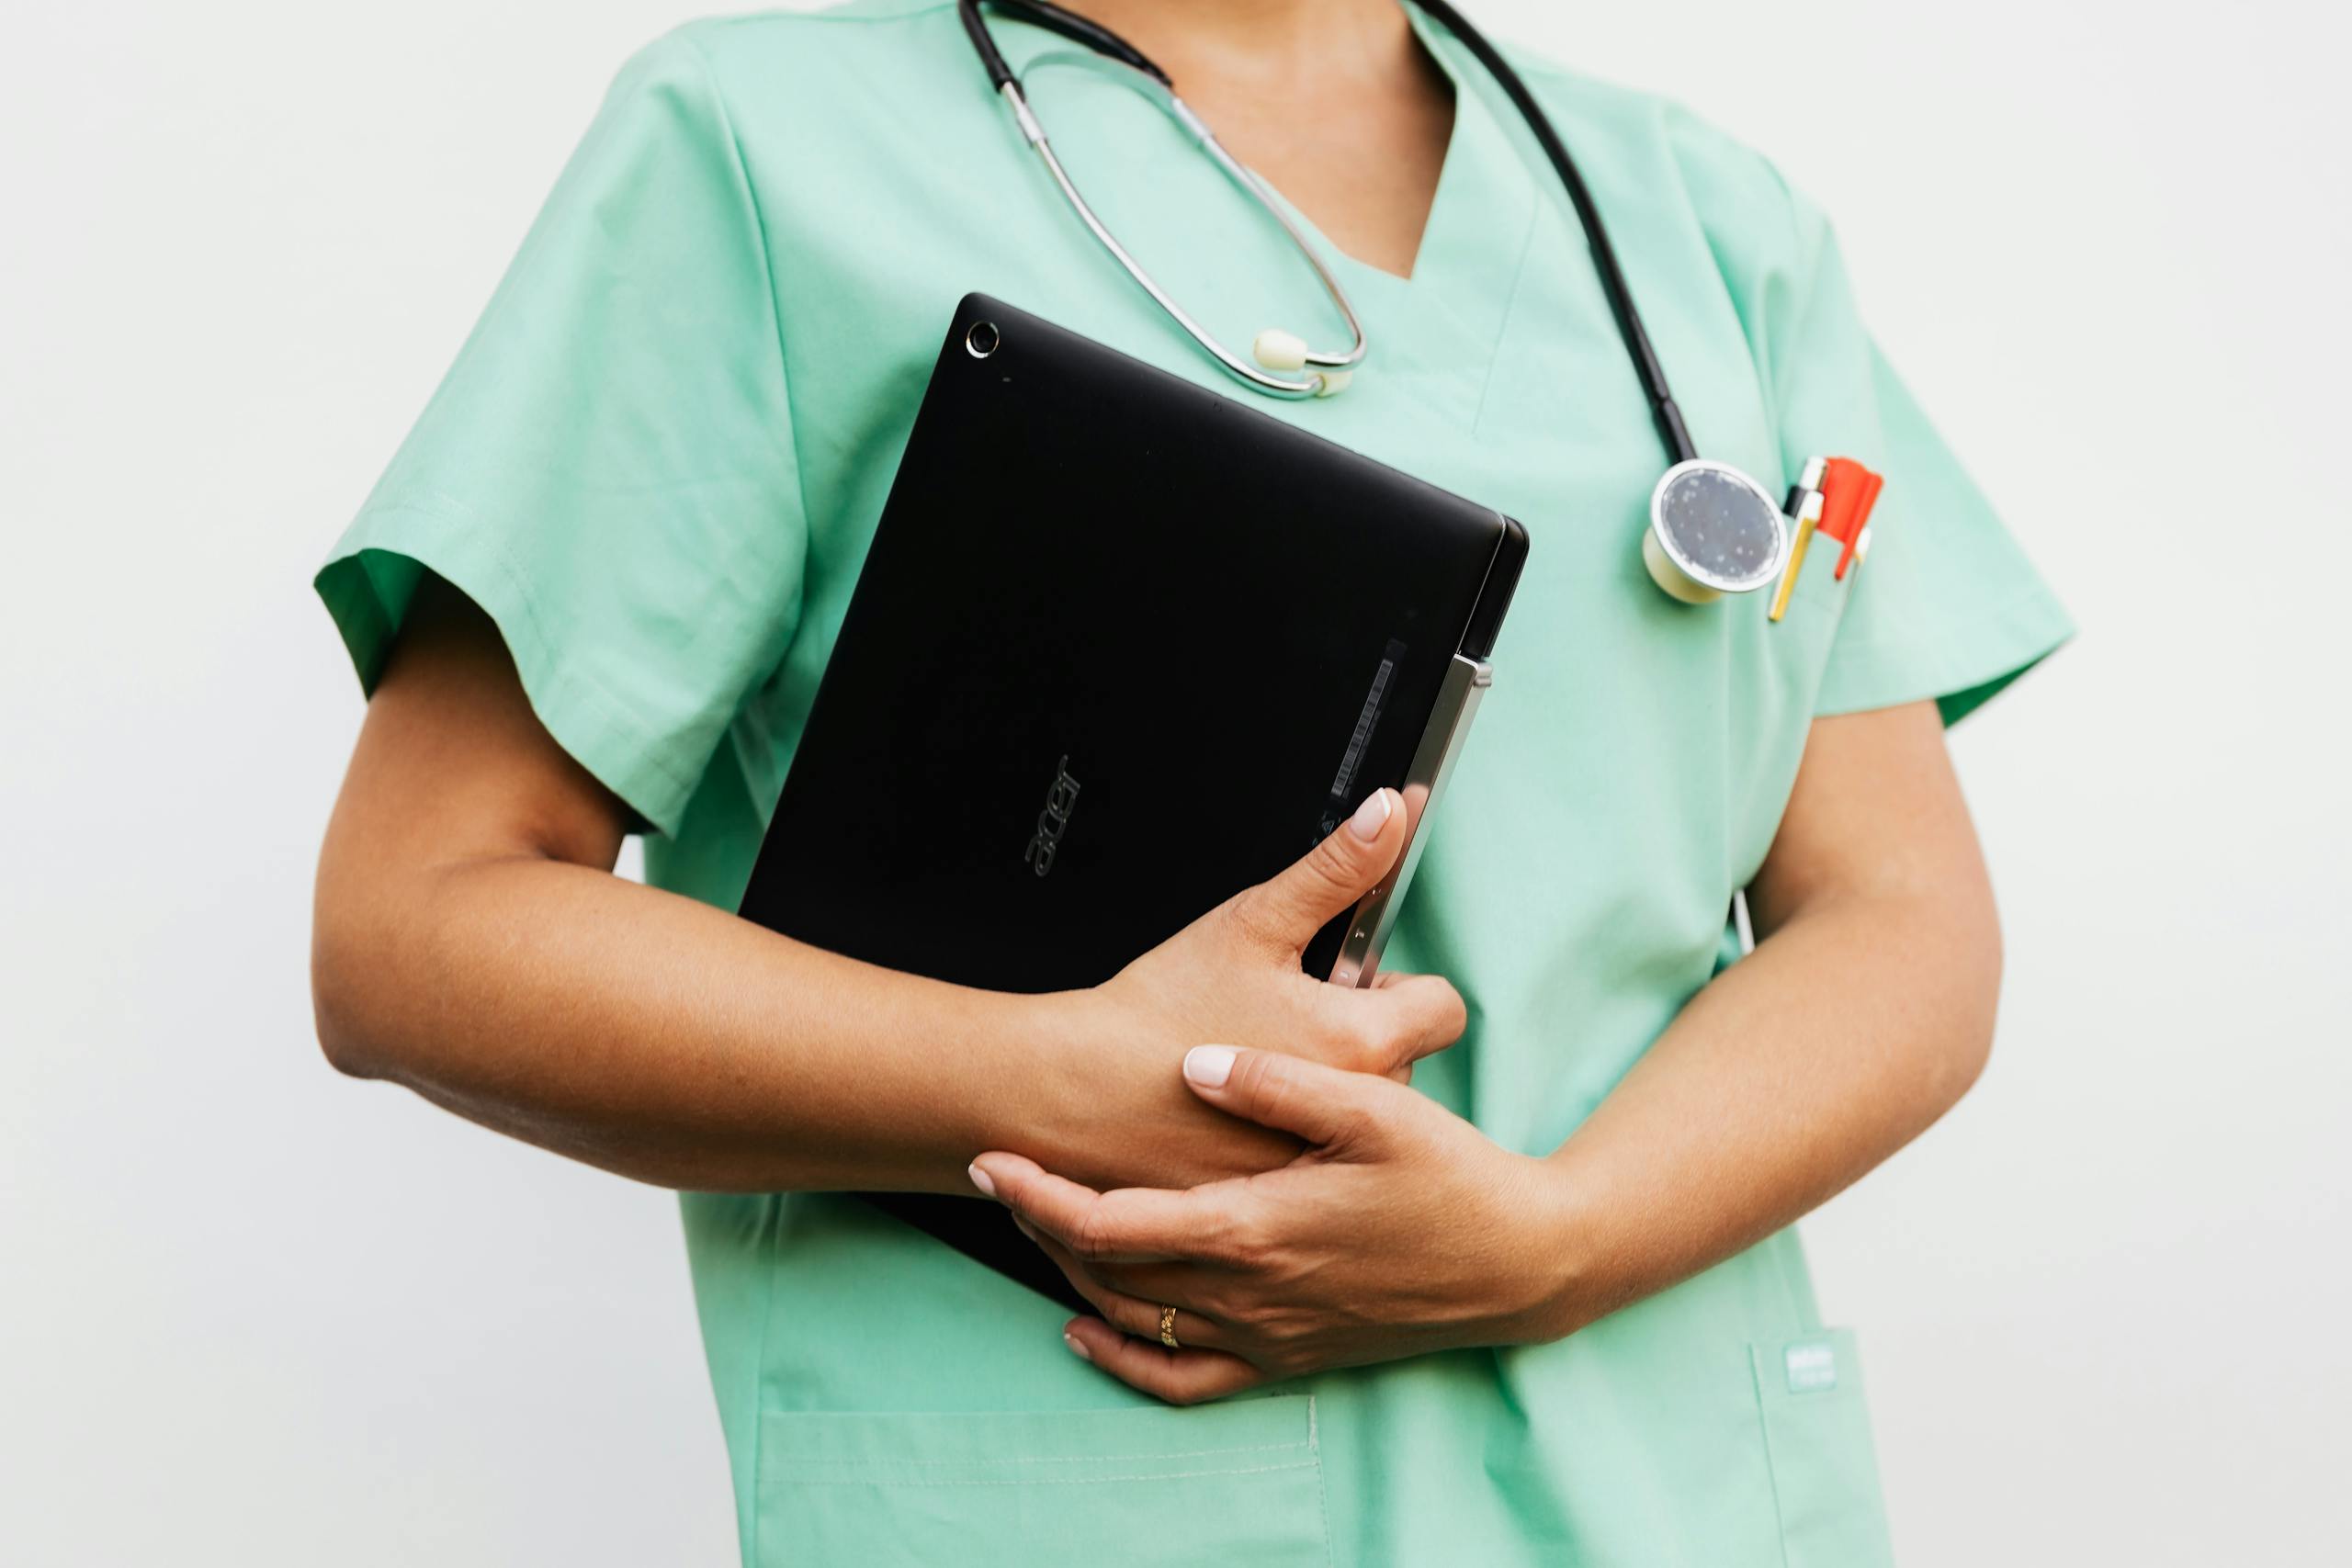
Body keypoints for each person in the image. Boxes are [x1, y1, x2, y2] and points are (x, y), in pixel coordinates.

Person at [310, 1, 2072, 1562]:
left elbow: (1898, 914)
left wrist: (1556, 1241)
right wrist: (1046, 1079)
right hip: (1083, 1485)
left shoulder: (1707, 223)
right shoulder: (758, 149)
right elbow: (418, 924)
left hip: (1682, 1502)